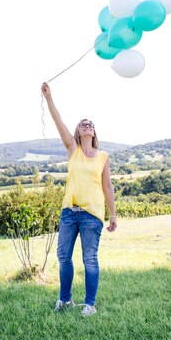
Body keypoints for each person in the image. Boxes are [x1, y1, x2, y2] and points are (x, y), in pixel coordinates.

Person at [41, 81, 117, 317]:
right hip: (69, 212)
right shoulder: (72, 149)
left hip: (92, 215)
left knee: (89, 259)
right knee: (63, 257)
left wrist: (113, 213)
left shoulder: (103, 156)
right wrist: (49, 98)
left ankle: (90, 305)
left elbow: (107, 185)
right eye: (84, 124)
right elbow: (58, 121)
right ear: (78, 131)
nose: (88, 125)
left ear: (94, 132)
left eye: (91, 124)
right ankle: (65, 300)